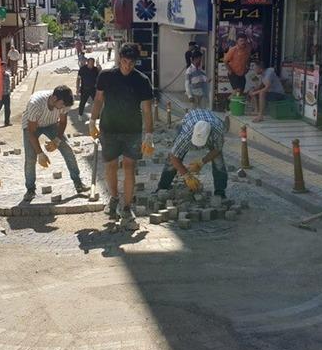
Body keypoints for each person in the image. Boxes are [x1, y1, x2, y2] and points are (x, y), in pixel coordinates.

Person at [89, 43, 154, 230]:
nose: (127, 66)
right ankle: (114, 198)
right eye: (125, 62)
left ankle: (126, 207)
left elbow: (147, 110)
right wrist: (93, 120)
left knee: (129, 166)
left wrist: (149, 134)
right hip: (109, 128)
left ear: (135, 63)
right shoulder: (106, 76)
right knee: (110, 166)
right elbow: (99, 99)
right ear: (119, 60)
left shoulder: (142, 80)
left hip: (132, 130)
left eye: (131, 63)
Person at [21, 86, 89, 201]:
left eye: (64, 106)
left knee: (67, 150)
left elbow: (62, 122)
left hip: (52, 124)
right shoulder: (35, 104)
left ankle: (78, 183)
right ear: (54, 98)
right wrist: (40, 153)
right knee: (30, 158)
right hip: (32, 126)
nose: (62, 108)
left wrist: (57, 140)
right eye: (61, 105)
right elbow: (31, 132)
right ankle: (30, 189)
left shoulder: (64, 103)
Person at [156, 109, 227, 198]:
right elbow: (173, 156)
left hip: (211, 123)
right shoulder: (187, 133)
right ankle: (163, 187)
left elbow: (217, 149)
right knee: (172, 161)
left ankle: (220, 193)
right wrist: (187, 175)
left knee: (218, 161)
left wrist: (202, 162)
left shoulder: (218, 131)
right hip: (190, 119)